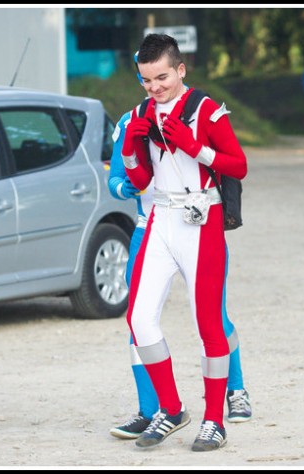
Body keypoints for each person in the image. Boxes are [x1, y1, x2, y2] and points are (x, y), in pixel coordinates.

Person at [119, 33, 248, 452]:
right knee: (138, 321)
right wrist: (129, 148)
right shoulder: (142, 111)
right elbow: (140, 181)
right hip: (161, 218)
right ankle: (172, 410)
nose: (154, 88)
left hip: (202, 219)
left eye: (161, 78)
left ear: (180, 70)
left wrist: (196, 148)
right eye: (146, 80)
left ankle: (214, 421)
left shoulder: (206, 110)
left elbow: (239, 165)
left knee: (209, 325)